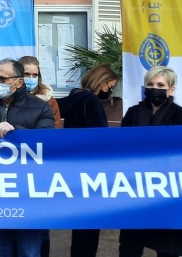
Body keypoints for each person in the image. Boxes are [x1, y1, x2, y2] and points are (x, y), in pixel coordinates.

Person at [0, 58, 54, 257]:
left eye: (2, 79)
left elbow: (47, 143)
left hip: (29, 193)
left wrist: (17, 132)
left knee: (29, 250)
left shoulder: (40, 108)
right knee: (0, 248)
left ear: (19, 82)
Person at [118, 66, 182, 257]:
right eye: (150, 84)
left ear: (171, 89)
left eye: (161, 85)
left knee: (167, 247)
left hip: (167, 191)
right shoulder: (133, 113)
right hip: (136, 190)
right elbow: (121, 147)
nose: (154, 89)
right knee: (130, 246)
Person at [57, 63, 118, 257]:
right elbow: (100, 138)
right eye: (110, 86)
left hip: (74, 167)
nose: (110, 90)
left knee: (81, 224)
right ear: (101, 82)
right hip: (92, 169)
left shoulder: (74, 96)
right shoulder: (91, 101)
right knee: (90, 227)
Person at [19, 56, 61, 128]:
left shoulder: (49, 101)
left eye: (35, 75)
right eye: (26, 74)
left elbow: (55, 128)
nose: (31, 78)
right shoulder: (9, 98)